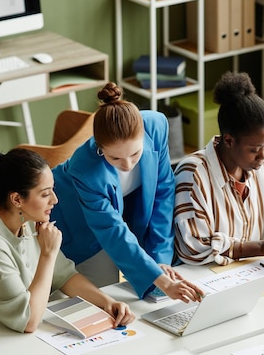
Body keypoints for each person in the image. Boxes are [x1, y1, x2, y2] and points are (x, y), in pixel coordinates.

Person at [0, 148, 135, 334]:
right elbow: (28, 320)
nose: (55, 199)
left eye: (52, 190)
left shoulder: (26, 221)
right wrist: (48, 254)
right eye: (45, 194)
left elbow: (65, 275)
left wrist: (106, 302)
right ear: (17, 199)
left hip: (18, 331)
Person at [51, 82, 204, 302]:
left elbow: (163, 193)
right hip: (77, 221)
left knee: (154, 278)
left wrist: (160, 261)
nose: (127, 164)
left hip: (125, 204)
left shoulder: (157, 125)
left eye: (135, 153)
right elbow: (112, 230)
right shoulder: (84, 170)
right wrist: (161, 279)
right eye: (115, 158)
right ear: (100, 148)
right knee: (101, 295)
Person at [173, 71, 264, 265]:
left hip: (249, 272)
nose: (263, 157)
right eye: (254, 150)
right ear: (228, 140)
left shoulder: (262, 169)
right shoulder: (193, 175)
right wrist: (260, 248)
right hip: (205, 278)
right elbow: (192, 247)